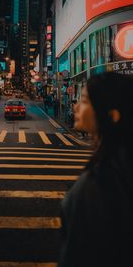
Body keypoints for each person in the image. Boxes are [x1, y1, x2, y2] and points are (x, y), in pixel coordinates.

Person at [58, 72, 133, 267]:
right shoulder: (121, 165)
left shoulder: (101, 183)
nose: (75, 107)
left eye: (84, 101)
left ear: (111, 115)